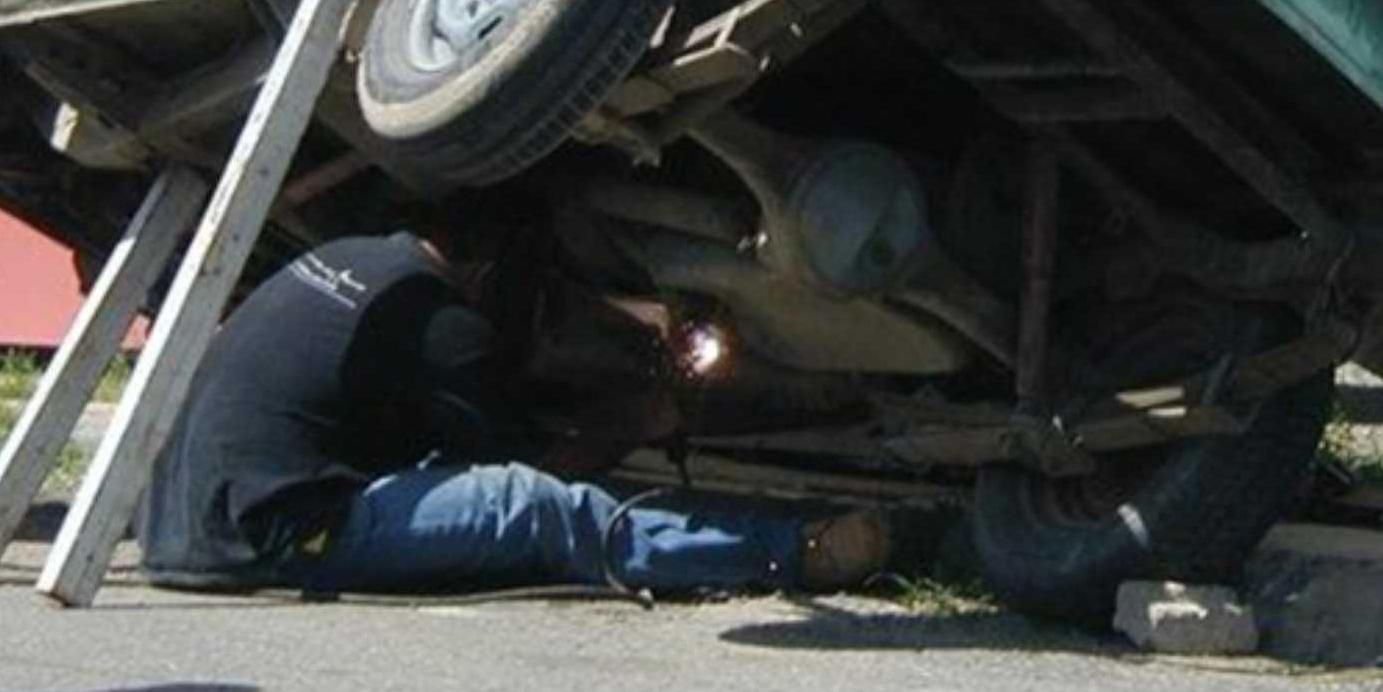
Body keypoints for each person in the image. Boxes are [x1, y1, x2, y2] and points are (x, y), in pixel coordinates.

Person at [136, 232, 889, 598]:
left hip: (181, 525)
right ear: (488, 273)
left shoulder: (356, 255)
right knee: (533, 508)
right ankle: (791, 552)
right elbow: (526, 471)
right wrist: (631, 424)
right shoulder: (441, 319)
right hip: (277, 536)